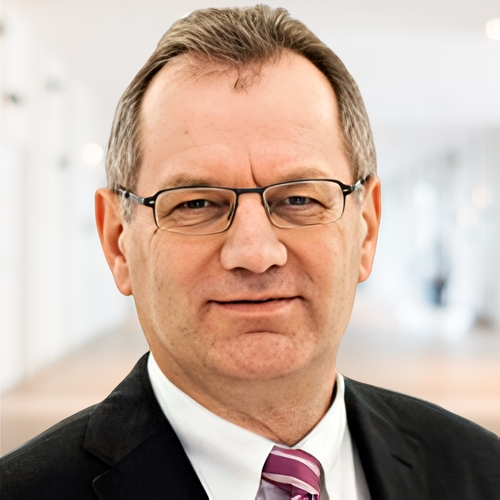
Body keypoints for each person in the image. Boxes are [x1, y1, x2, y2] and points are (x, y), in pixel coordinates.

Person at [1, 5, 498, 499]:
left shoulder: (482, 471)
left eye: (299, 199)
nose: (256, 253)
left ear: (365, 230)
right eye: (195, 203)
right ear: (118, 241)